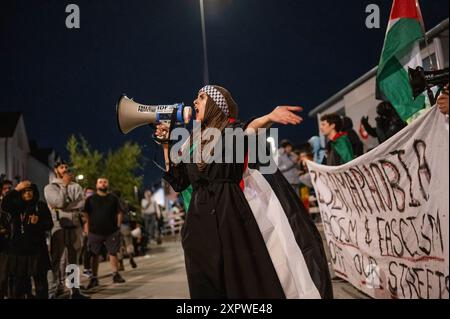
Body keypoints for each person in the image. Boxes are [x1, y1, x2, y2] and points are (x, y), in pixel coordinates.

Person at [156, 85, 332, 299]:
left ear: (215, 105)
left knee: (238, 281)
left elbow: (250, 128)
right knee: (204, 282)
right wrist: (166, 145)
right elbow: (179, 180)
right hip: (198, 222)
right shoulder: (192, 140)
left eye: (201, 98)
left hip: (228, 216)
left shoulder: (230, 133)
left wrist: (269, 117)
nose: (194, 102)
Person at [44, 161, 88, 299]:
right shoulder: (50, 187)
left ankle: (74, 291)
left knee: (73, 261)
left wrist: (65, 208)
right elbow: (59, 202)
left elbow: (81, 203)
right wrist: (64, 186)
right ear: (56, 170)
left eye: (66, 167)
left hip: (74, 226)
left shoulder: (76, 186)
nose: (65, 169)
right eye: (61, 167)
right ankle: (53, 290)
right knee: (56, 260)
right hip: (59, 226)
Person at [1, 181, 53, 299]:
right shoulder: (16, 206)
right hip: (19, 252)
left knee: (40, 284)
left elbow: (49, 224)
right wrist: (16, 189)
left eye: (30, 191)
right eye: (24, 191)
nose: (28, 193)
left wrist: (38, 223)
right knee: (19, 284)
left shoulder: (40, 206)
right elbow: (4, 204)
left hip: (37, 250)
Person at [84, 177, 126, 289]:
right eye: (100, 182)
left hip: (111, 231)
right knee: (94, 254)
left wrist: (118, 226)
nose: (103, 184)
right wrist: (87, 226)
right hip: (95, 232)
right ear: (96, 185)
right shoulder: (90, 199)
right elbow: (86, 214)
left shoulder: (113, 198)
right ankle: (94, 278)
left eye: (105, 182)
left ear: (108, 184)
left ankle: (115, 274)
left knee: (113, 253)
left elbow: (119, 212)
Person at [112, 190, 137, 271]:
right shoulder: (126, 203)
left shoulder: (112, 203)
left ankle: (121, 264)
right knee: (129, 243)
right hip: (126, 225)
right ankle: (131, 257)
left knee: (119, 245)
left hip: (116, 226)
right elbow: (134, 209)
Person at [0, 179, 13, 298]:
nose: (8, 190)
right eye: (5, 188)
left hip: (10, 244)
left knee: (7, 274)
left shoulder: (16, 203)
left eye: (9, 188)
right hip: (3, 244)